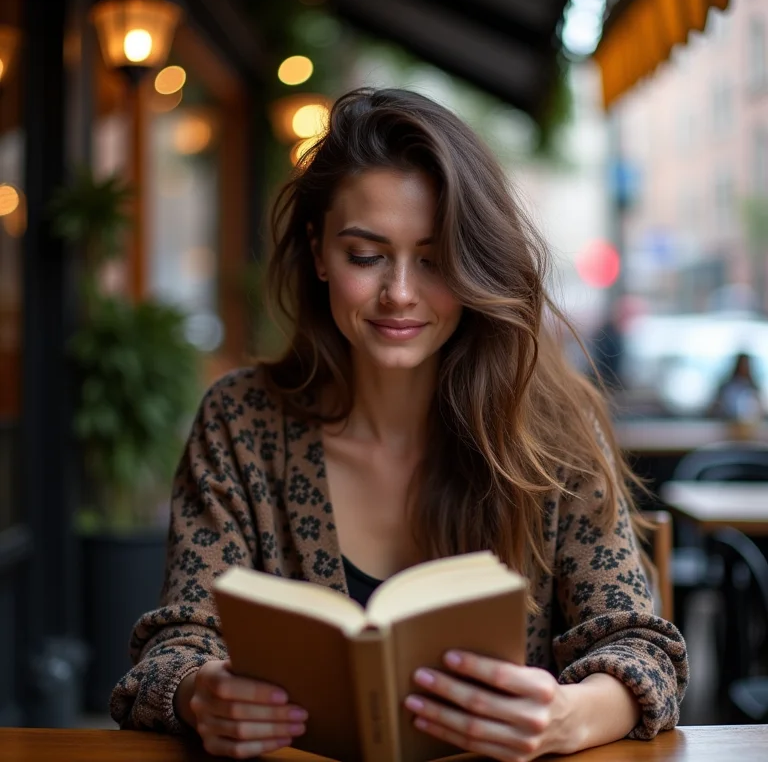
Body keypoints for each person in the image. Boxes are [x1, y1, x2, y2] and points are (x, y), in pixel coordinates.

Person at [111, 88, 688, 761]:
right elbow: (173, 646)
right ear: (319, 252)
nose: (402, 293)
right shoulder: (240, 422)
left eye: (437, 258)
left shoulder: (551, 433)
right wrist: (199, 693)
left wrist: (568, 715)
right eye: (366, 256)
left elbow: (644, 653)